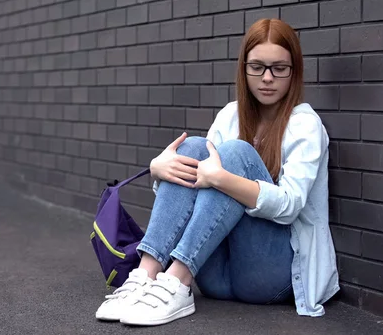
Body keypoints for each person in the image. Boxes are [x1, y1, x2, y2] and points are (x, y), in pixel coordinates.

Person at [95, 18, 339, 326]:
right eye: (257, 67)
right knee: (195, 147)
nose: (267, 78)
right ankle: (146, 273)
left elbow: (290, 206)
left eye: (279, 68)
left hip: (270, 275)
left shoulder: (304, 124)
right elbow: (194, 191)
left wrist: (224, 179)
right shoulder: (230, 115)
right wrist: (158, 172)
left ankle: (177, 281)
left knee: (235, 154)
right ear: (243, 68)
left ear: (295, 72)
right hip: (215, 277)